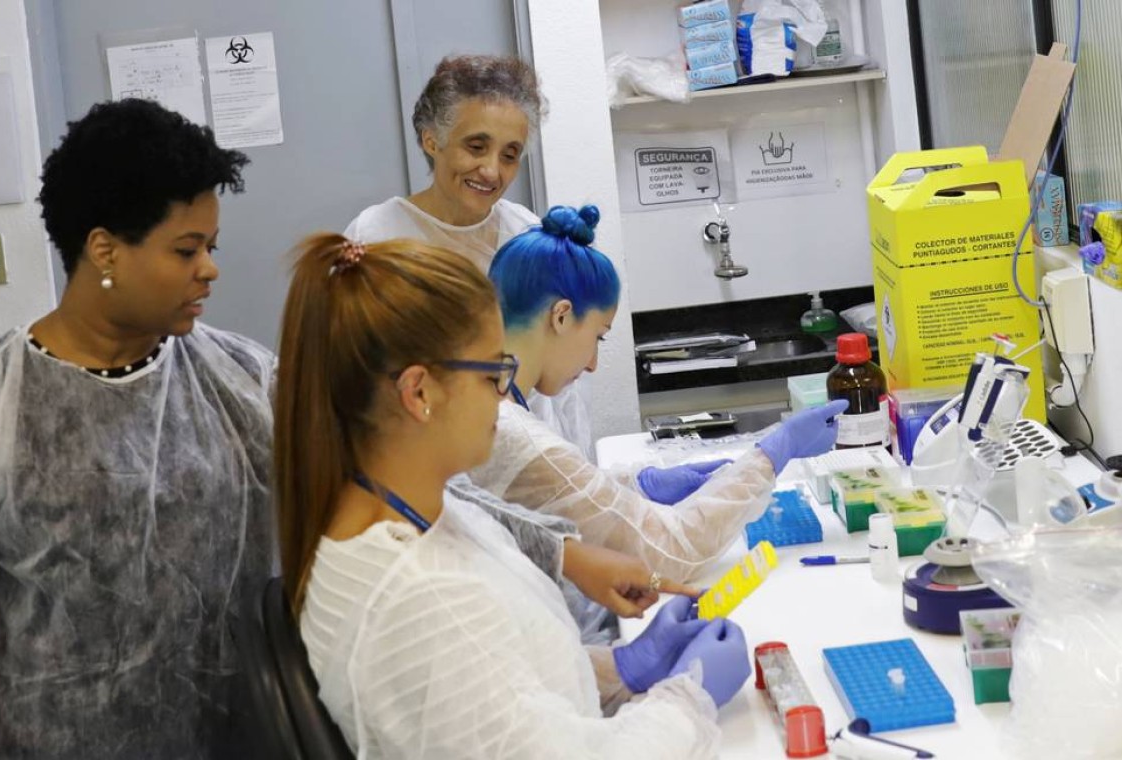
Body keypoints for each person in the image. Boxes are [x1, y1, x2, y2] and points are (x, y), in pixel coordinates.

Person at [0, 99, 273, 759]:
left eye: (211, 246)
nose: (209, 268)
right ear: (104, 249)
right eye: (187, 248)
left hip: (233, 740)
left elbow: (370, 467)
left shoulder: (240, 379)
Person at [276, 233, 752, 758]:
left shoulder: (416, 511)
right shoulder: (422, 597)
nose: (504, 396)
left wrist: (622, 668)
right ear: (419, 393)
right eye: (492, 373)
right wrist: (689, 699)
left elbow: (495, 692)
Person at [471, 205, 849, 582]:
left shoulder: (492, 407)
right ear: (562, 316)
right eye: (597, 337)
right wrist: (772, 454)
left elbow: (565, 492)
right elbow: (672, 550)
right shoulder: (512, 436)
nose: (592, 365)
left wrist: (639, 485)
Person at [343, 53, 590, 456]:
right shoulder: (376, 236)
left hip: (528, 464)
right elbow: (350, 375)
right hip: (427, 472)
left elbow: (561, 385)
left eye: (509, 155)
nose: (492, 171)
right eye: (476, 147)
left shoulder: (525, 233)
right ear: (431, 139)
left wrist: (578, 476)